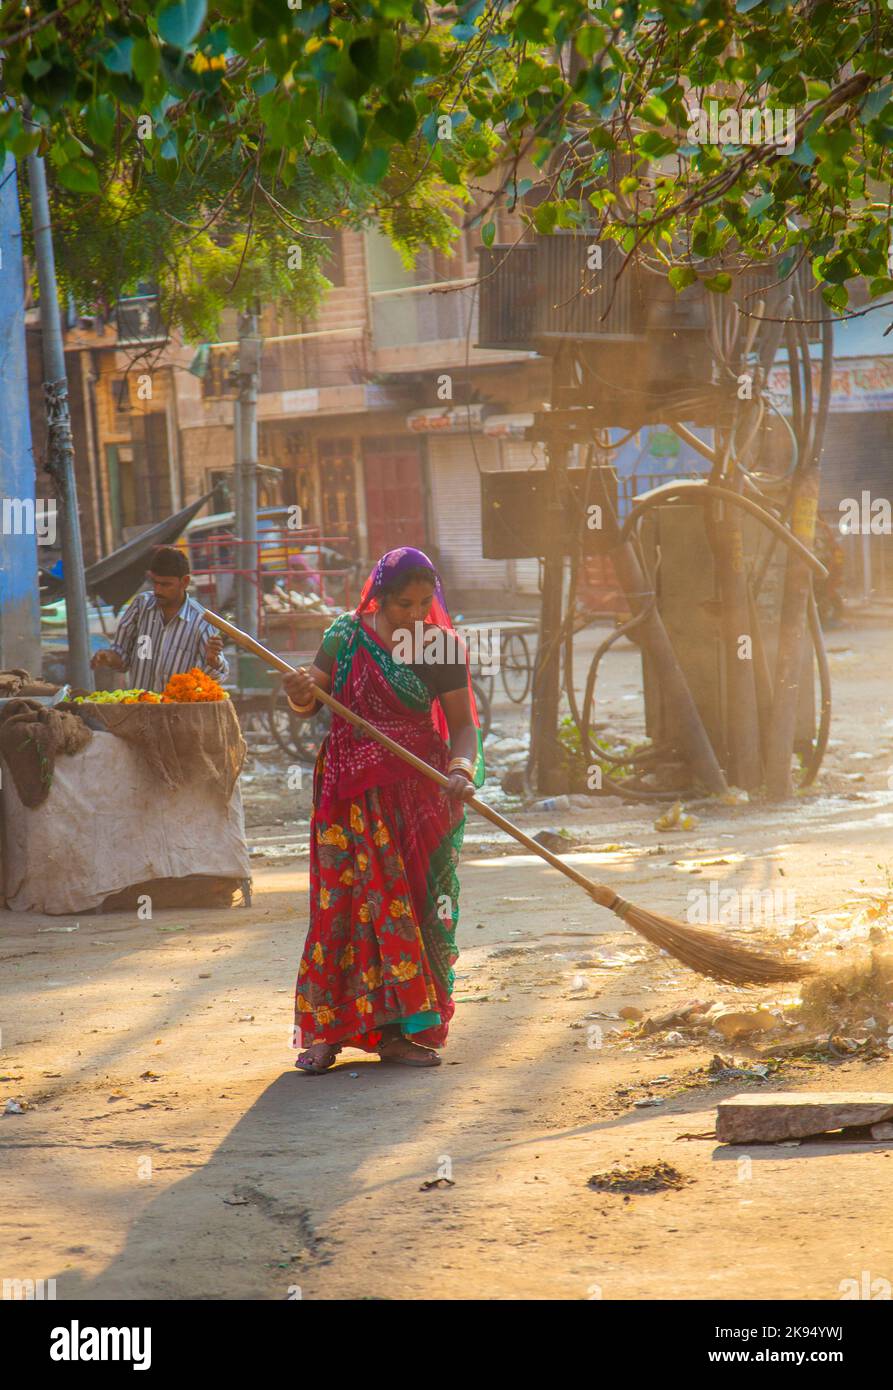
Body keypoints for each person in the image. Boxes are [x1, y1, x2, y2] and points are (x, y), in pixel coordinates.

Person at [284, 546, 484, 1072]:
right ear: (378, 597)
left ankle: (400, 1033)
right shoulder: (345, 636)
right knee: (341, 907)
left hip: (416, 794)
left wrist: (461, 770)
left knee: (411, 909)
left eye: (423, 603)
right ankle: (327, 1031)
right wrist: (298, 692)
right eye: (403, 604)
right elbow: (310, 702)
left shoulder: (441, 647)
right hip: (346, 794)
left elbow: (463, 726)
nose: (415, 615)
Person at [91, 544, 229, 692]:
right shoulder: (140, 607)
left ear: (185, 582)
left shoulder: (202, 622)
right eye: (155, 583)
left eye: (165, 585)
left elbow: (219, 676)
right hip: (139, 704)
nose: (158, 590)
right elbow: (122, 658)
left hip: (178, 706)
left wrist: (213, 661)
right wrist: (109, 657)